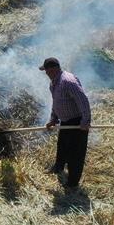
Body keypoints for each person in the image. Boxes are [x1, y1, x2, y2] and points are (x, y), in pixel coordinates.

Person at [40, 57, 91, 189]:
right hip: (65, 121)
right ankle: (58, 168)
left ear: (53, 69)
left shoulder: (68, 81)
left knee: (75, 154)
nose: (46, 73)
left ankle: (72, 183)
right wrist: (53, 119)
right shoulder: (53, 83)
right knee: (62, 146)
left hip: (77, 122)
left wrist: (85, 121)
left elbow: (83, 101)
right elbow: (56, 103)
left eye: (47, 70)